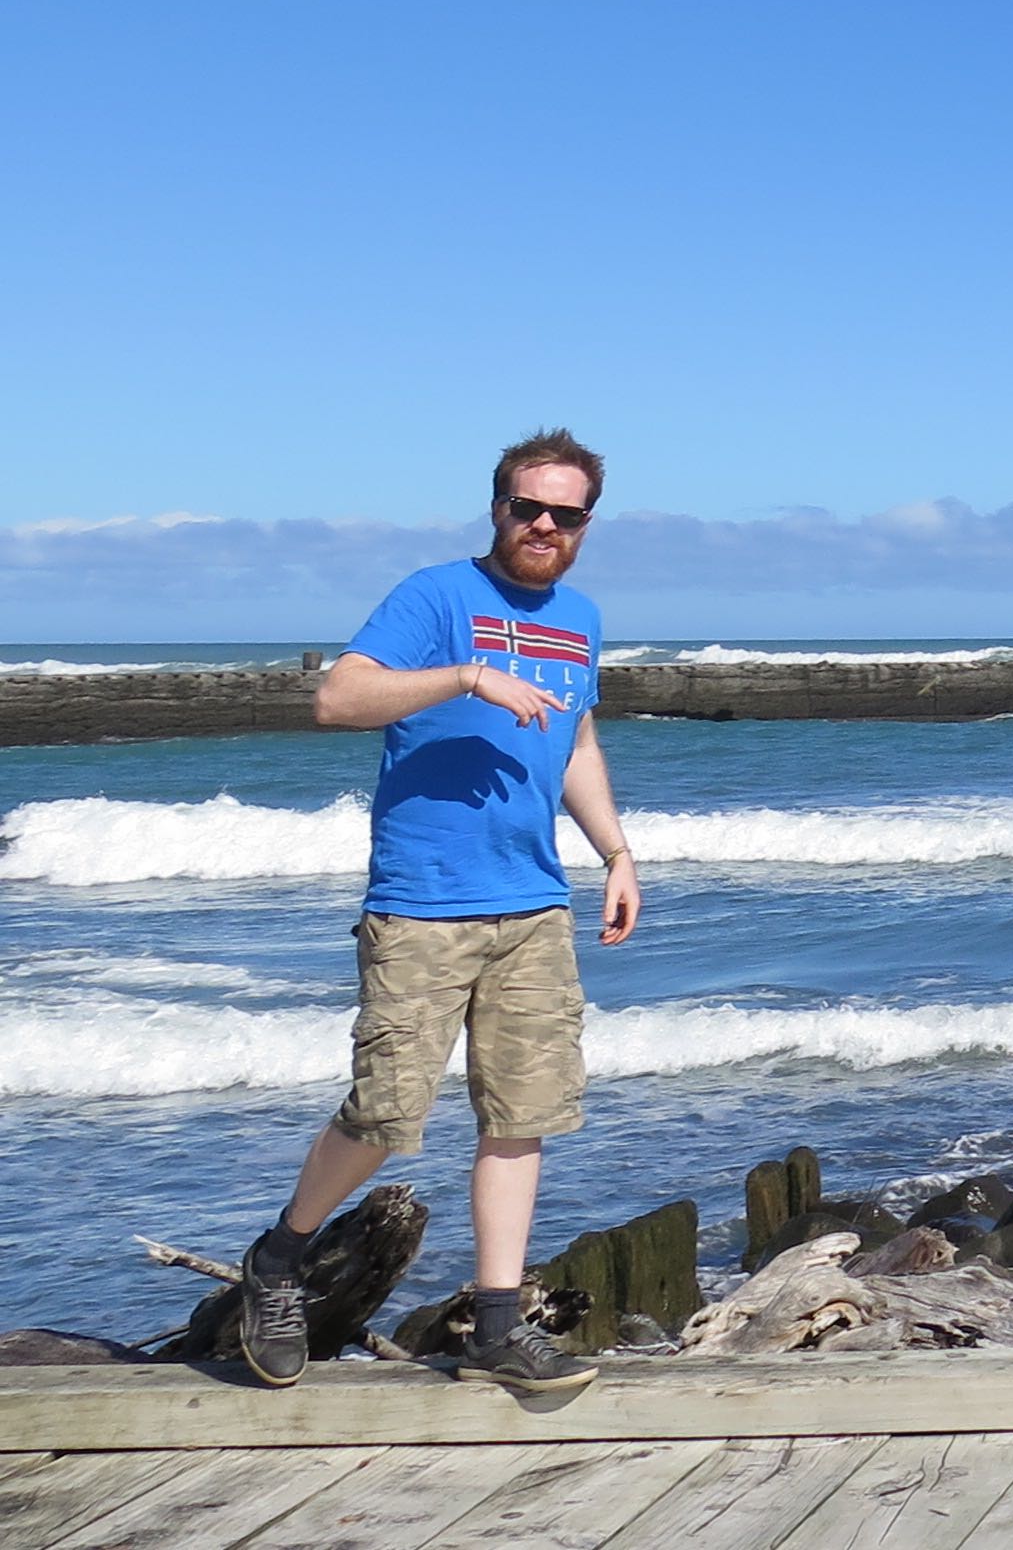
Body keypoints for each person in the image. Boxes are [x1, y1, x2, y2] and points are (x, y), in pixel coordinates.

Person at [234, 432, 640, 1388]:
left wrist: (616, 852)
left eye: (565, 513)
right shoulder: (436, 597)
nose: (543, 525)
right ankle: (279, 1260)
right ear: (498, 509)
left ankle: (497, 1324)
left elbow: (577, 740)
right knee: (384, 1115)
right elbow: (338, 698)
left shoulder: (579, 617)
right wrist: (465, 675)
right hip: (422, 906)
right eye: (527, 508)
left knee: (522, 1116)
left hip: (534, 905)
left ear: (586, 524)